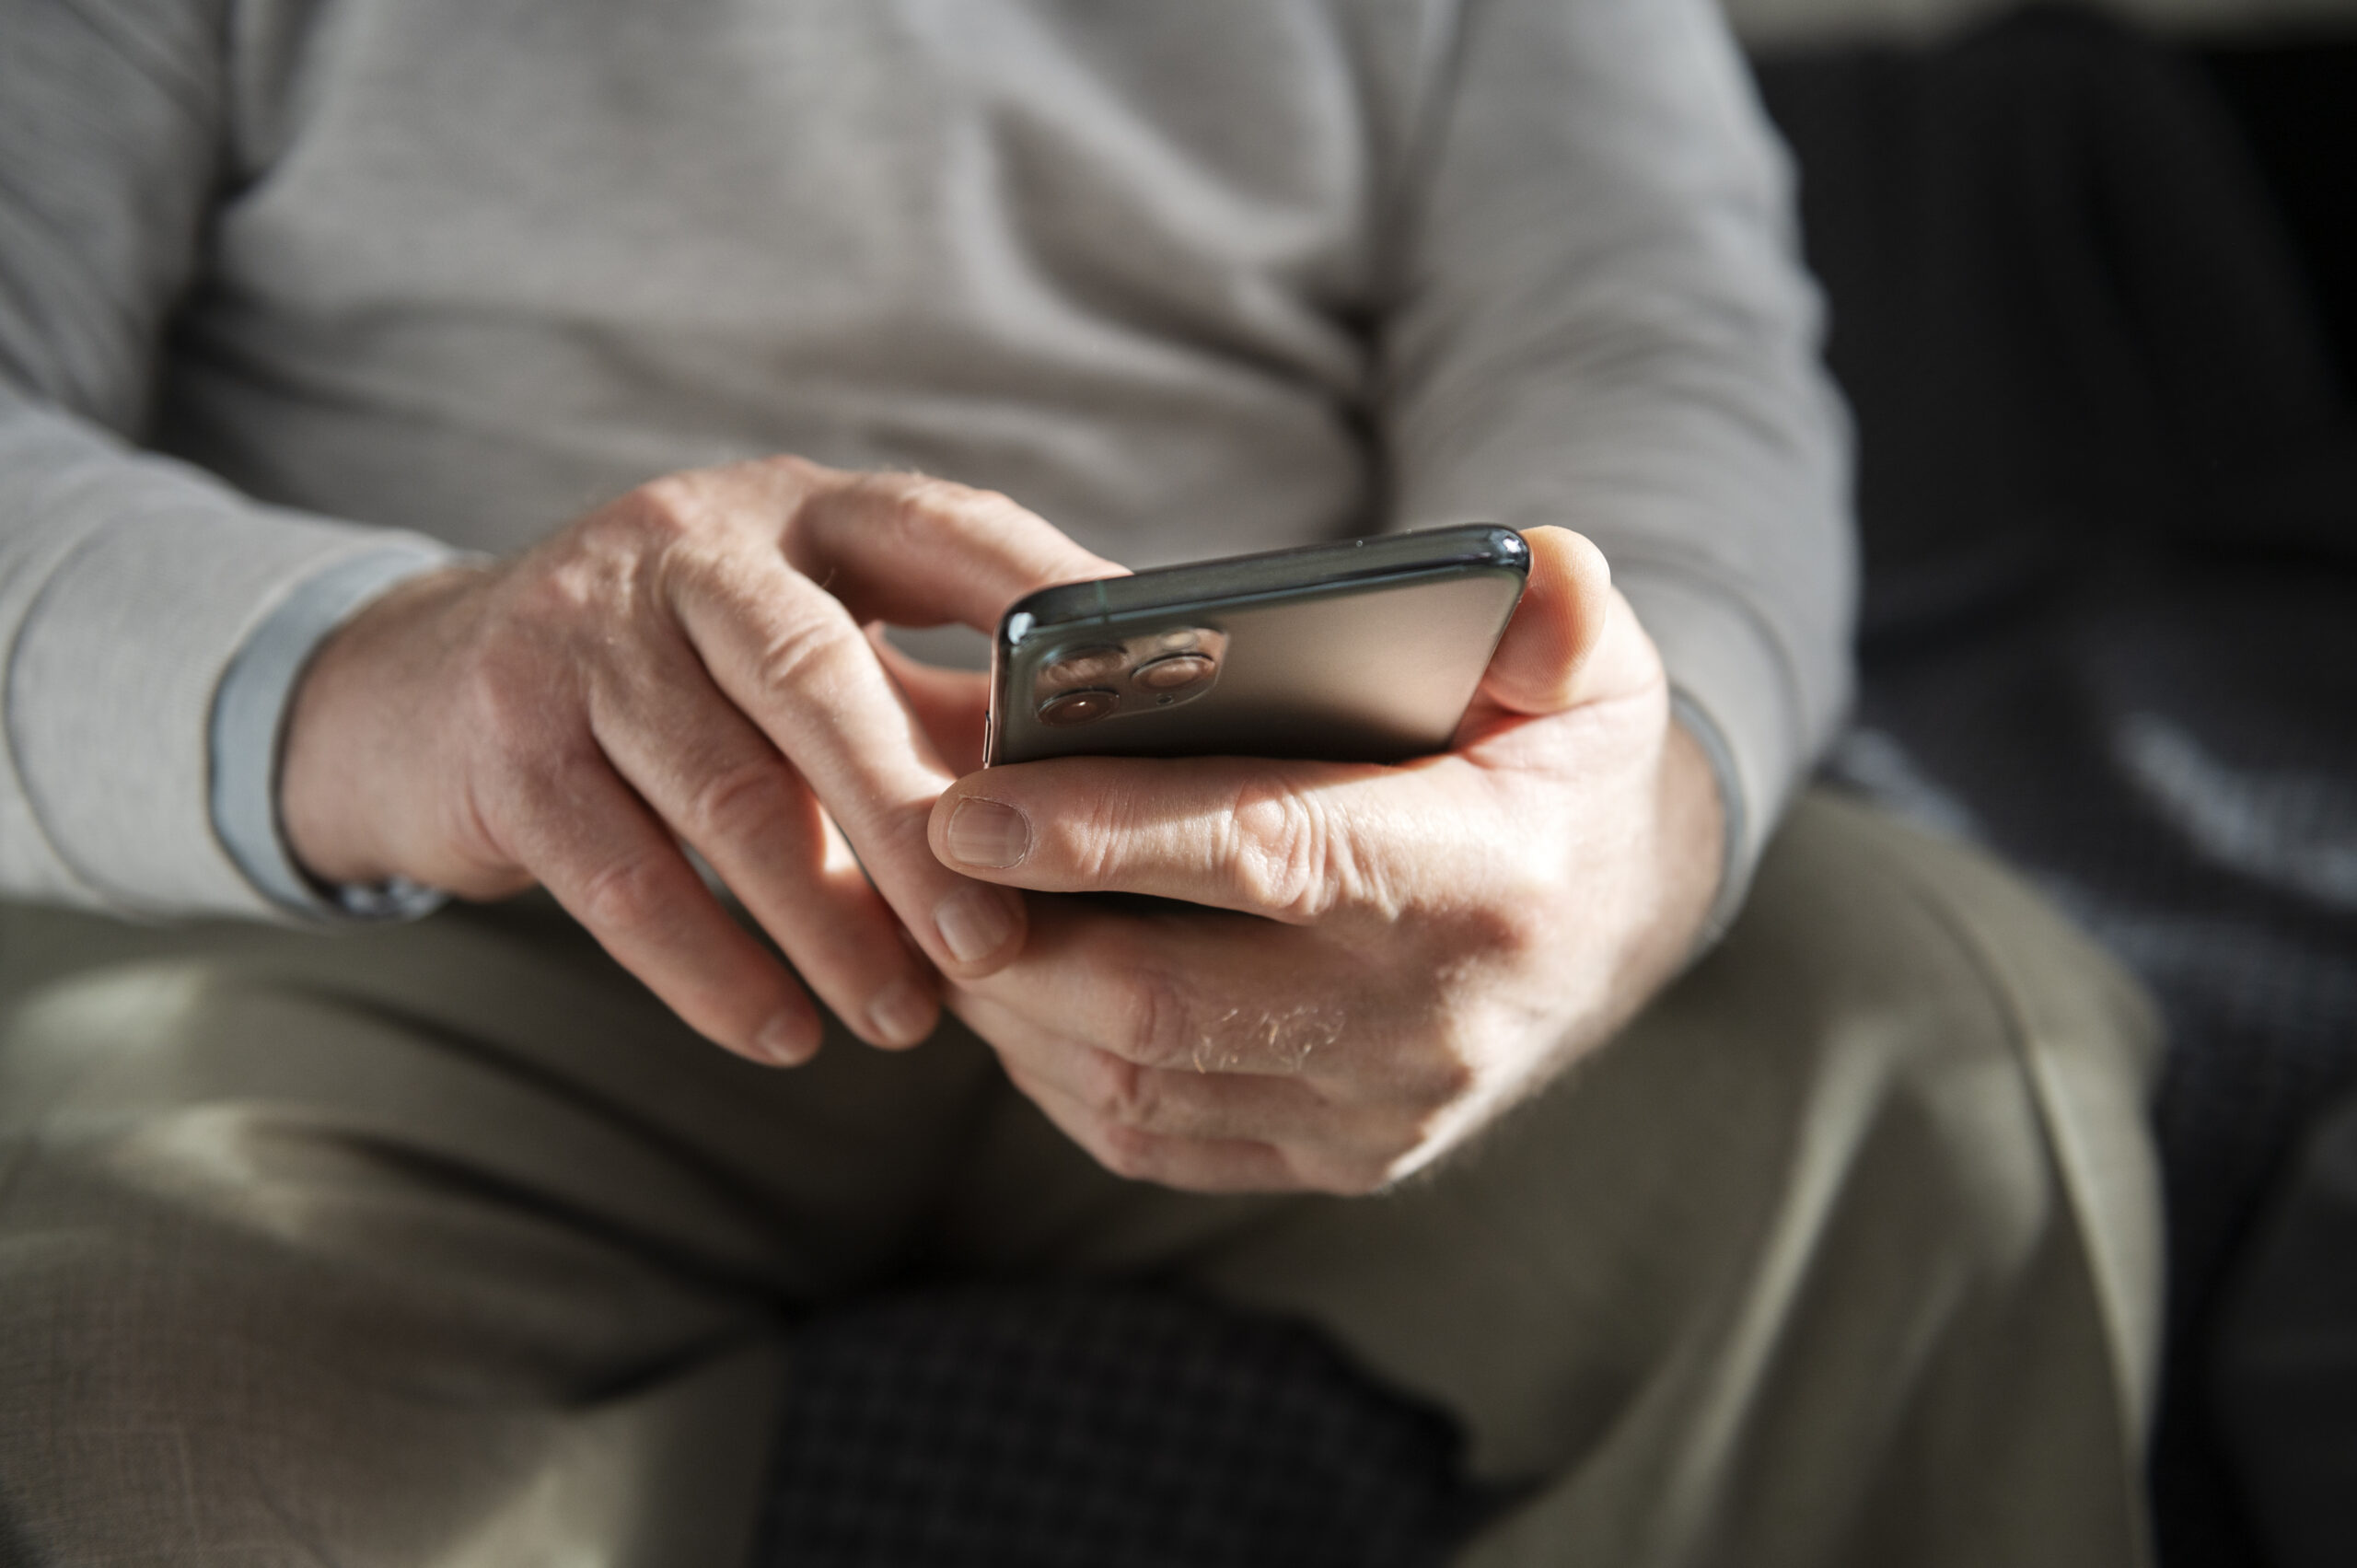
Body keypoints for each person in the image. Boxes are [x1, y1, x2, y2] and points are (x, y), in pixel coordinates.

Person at [0, 0, 2163, 1562]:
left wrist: (1623, 838)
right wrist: (422, 679)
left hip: (1286, 864)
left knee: (1951, 1071)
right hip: (429, 892)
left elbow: (1647, 358)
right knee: (129, 1387)